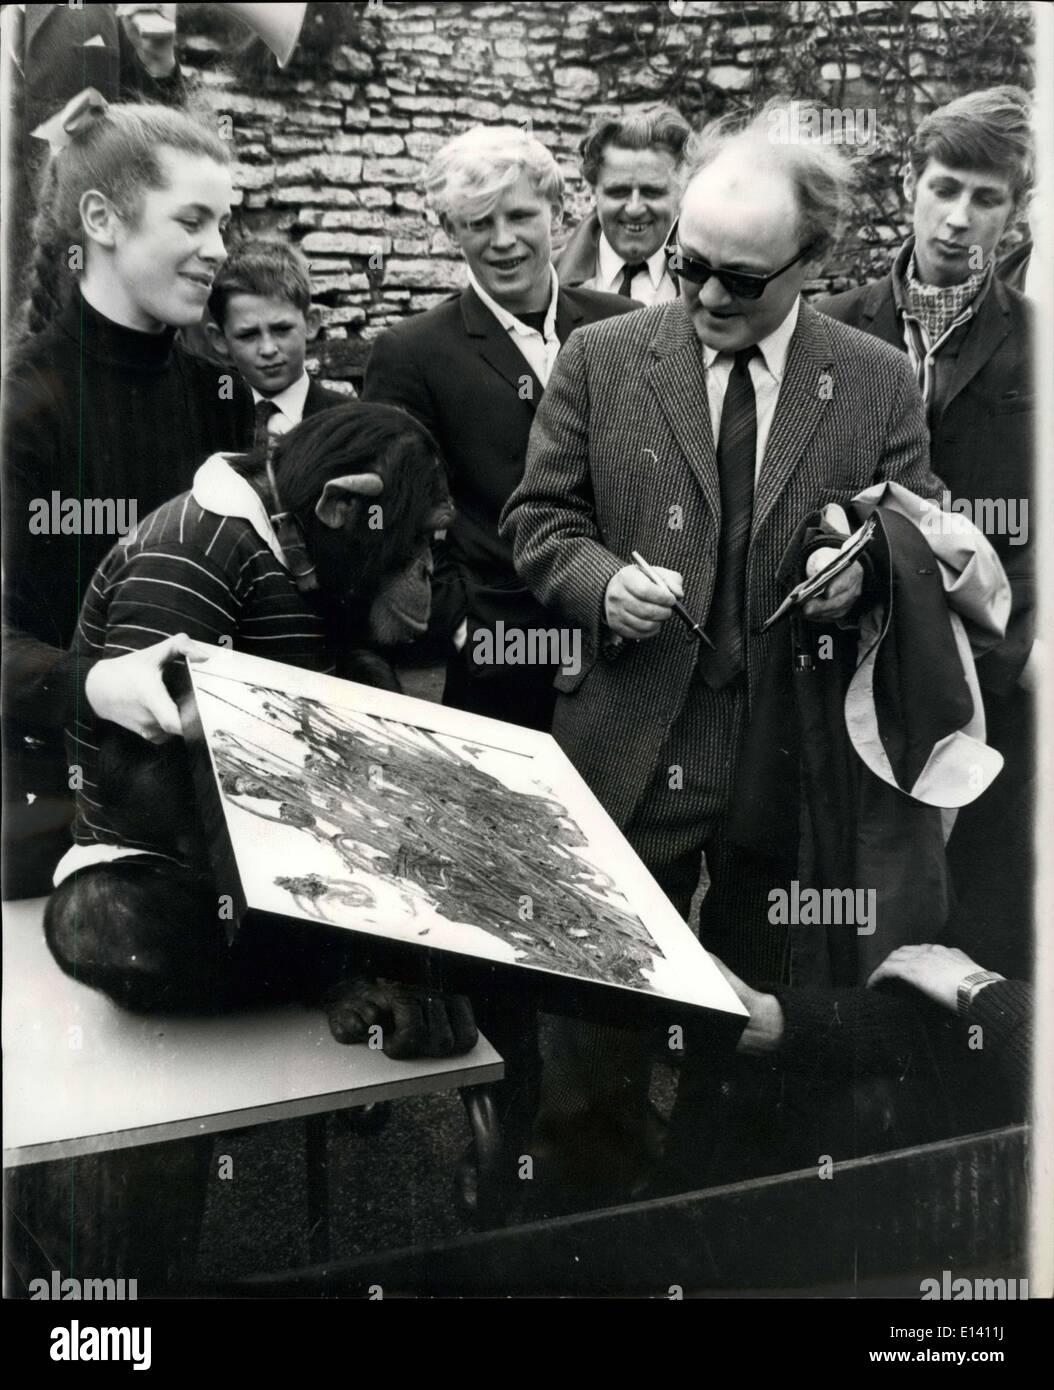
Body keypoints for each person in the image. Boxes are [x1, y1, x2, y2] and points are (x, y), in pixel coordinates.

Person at [501, 101, 947, 1197]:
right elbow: (536, 523)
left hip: (788, 770)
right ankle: (582, 1231)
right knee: (592, 1052)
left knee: (756, 1051)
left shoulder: (876, 378)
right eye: (691, 266)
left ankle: (715, 1230)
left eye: (740, 282)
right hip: (627, 755)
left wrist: (864, 574)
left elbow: (920, 536)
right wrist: (601, 584)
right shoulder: (603, 360)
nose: (704, 297)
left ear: (813, 260)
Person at [1, 94, 253, 897]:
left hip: (197, 792)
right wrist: (96, 681)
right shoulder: (20, 404)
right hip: (43, 805)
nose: (219, 250)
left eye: (224, 223)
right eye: (192, 221)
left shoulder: (220, 394)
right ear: (102, 220)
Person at [818, 86, 1036, 980]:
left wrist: (1012, 655)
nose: (958, 219)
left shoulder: (1041, 344)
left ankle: (971, 1084)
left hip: (991, 671)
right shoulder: (831, 326)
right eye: (944, 188)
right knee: (853, 890)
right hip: (853, 659)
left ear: (1016, 213)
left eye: (987, 200)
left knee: (984, 898)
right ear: (910, 183)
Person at [361, 125, 634, 732]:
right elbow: (397, 519)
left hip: (627, 645)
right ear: (452, 231)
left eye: (519, 215)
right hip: (501, 655)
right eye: (478, 223)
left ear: (559, 213)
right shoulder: (412, 353)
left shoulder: (629, 325)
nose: (503, 241)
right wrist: (462, 625)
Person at [206, 236, 348, 449]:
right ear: (220, 340)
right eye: (248, 335)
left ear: (311, 323)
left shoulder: (348, 421)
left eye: (282, 330)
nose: (268, 349)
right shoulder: (205, 422)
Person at [555, 105, 689, 306]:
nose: (634, 209)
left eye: (652, 192)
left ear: (681, 193)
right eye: (618, 192)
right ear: (592, 193)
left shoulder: (699, 280)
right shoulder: (547, 276)